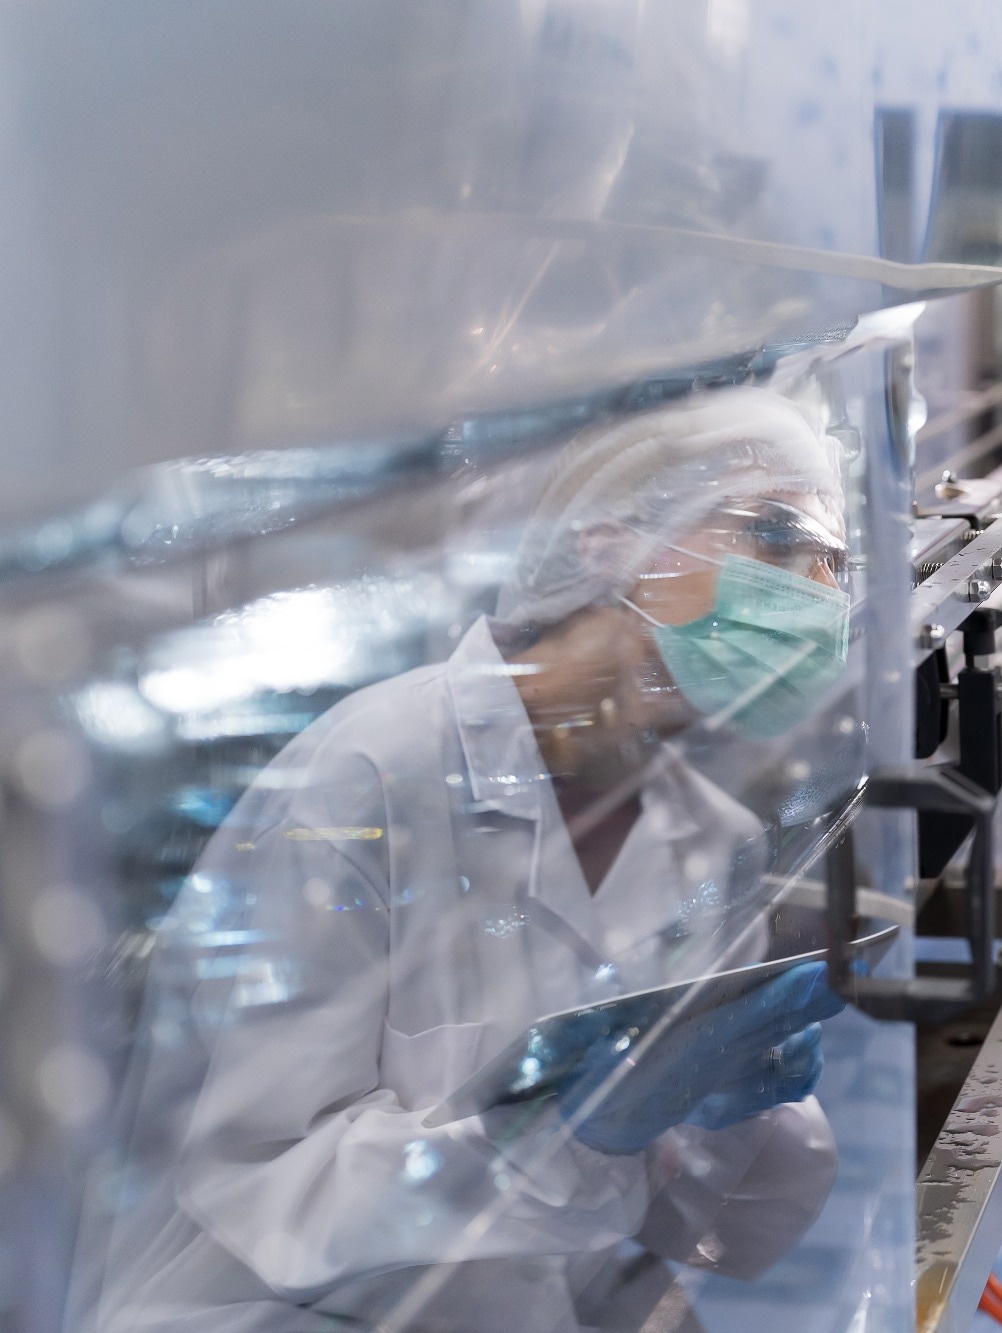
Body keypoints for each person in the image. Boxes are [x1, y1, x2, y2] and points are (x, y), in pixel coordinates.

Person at [83, 388, 856, 1333]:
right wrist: (575, 1131)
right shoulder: (370, 774)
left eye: (834, 565)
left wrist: (735, 1106)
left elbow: (706, 1228)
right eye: (775, 538)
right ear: (607, 544)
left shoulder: (708, 833)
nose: (814, 597)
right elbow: (271, 1194)